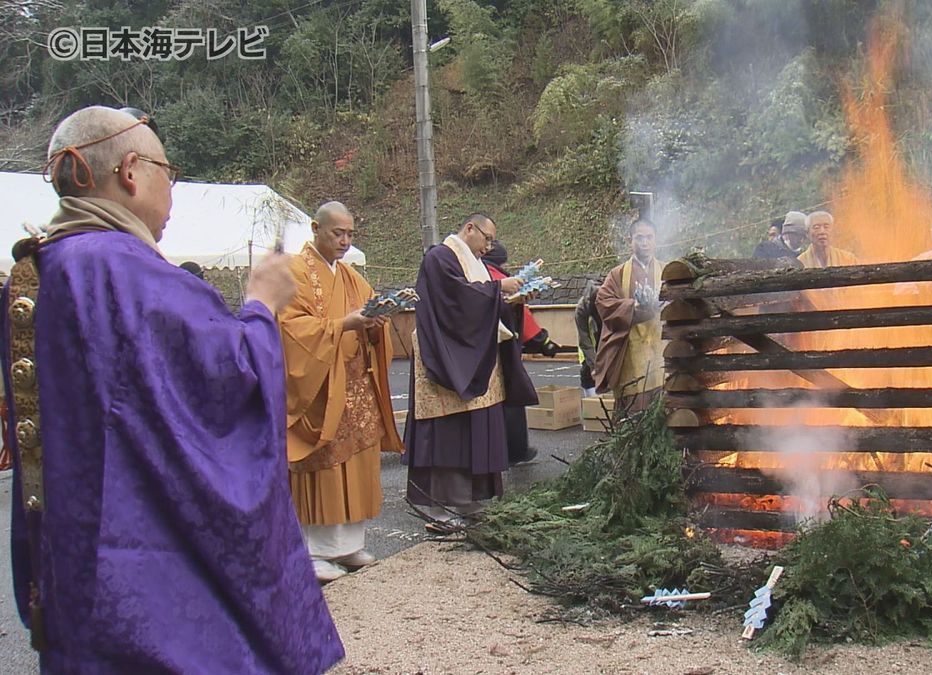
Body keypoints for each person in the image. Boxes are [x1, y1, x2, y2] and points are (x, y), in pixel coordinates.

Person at [2, 105, 342, 672]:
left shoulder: (40, 268)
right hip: (145, 579)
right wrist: (260, 306)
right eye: (169, 171)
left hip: (75, 559)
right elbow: (232, 385)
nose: (172, 190)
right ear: (131, 171)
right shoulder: (125, 270)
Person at [278, 201, 403, 583]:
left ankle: (348, 545)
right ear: (316, 228)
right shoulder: (294, 271)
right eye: (338, 233)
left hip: (355, 383)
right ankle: (314, 550)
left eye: (350, 234)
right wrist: (342, 324)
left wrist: (375, 323)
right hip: (320, 385)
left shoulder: (349, 275)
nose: (345, 241)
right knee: (326, 460)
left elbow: (367, 312)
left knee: (358, 461)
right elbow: (288, 328)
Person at [404, 213, 538, 532]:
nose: (488, 247)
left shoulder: (475, 263)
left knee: (475, 431)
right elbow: (456, 300)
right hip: (445, 355)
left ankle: (470, 501)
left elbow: (482, 303)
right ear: (469, 229)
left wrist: (512, 301)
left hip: (475, 356)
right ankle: (437, 509)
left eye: (492, 241)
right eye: (486, 239)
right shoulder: (440, 257)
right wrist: (498, 289)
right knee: (446, 433)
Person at [478, 239, 540, 466]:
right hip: (497, 347)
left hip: (488, 345)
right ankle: (514, 451)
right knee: (510, 396)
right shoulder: (488, 273)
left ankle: (502, 451)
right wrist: (538, 338)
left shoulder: (481, 270)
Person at [593, 219, 664, 412]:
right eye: (639, 238)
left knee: (663, 407)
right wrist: (633, 306)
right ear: (629, 240)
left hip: (661, 348)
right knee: (633, 410)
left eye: (649, 237)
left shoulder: (666, 270)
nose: (645, 242)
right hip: (631, 350)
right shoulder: (618, 274)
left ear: (656, 240)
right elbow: (603, 302)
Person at [481, 240, 560, 357]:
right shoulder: (497, 277)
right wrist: (542, 341)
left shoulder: (472, 273)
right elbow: (521, 317)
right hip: (493, 349)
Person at [575, 279, 603, 397]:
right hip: (592, 338)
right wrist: (593, 366)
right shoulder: (582, 309)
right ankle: (592, 402)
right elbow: (585, 340)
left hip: (607, 333)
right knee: (587, 372)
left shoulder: (612, 301)